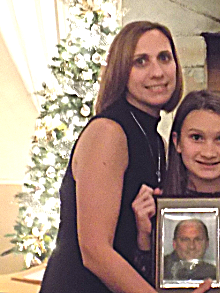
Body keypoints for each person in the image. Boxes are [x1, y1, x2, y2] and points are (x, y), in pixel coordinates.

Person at [40, 21, 183, 293]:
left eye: (164, 58)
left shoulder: (156, 140)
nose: (157, 72)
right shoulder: (109, 132)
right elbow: (95, 251)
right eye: (140, 62)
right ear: (121, 72)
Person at [131, 90, 220, 286]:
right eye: (196, 137)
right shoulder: (154, 207)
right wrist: (143, 236)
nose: (208, 152)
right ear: (177, 142)